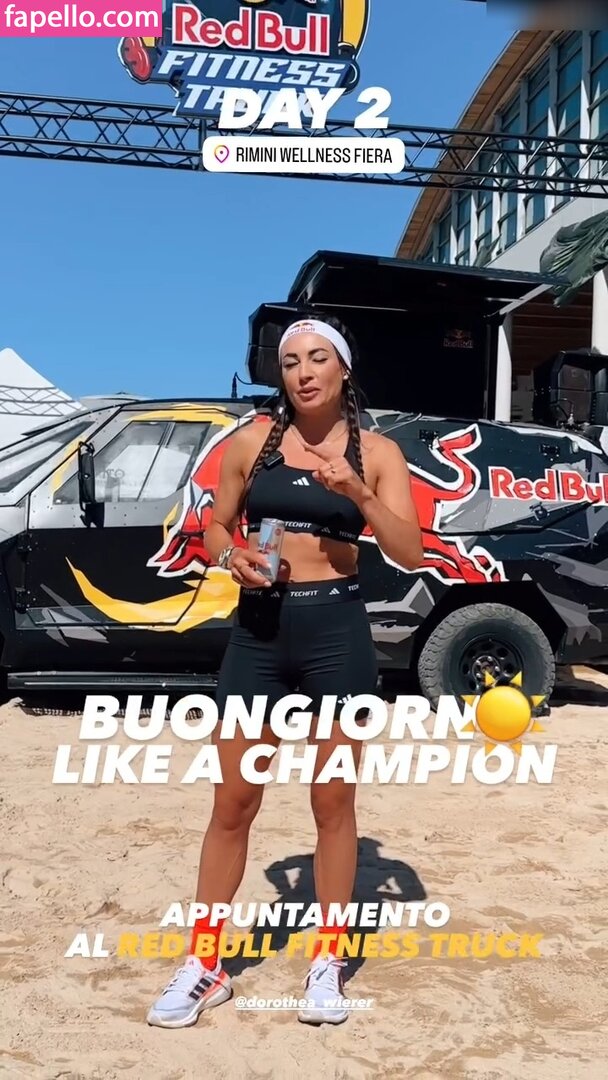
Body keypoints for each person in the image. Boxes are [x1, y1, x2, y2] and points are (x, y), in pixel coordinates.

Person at [147, 315, 423, 1029]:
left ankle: (327, 963)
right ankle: (205, 965)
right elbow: (215, 525)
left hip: (336, 632)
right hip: (259, 634)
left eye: (317, 358)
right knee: (234, 802)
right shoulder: (251, 442)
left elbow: (410, 552)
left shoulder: (380, 452)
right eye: (291, 360)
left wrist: (358, 492)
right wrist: (227, 555)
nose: (302, 371)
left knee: (332, 804)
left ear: (343, 370)